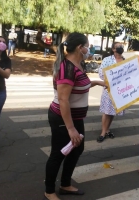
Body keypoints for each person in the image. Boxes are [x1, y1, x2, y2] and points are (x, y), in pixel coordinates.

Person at [44, 33, 106, 200]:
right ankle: (49, 191)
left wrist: (99, 83)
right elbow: (63, 99)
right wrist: (70, 129)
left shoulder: (79, 64)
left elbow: (80, 85)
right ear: (80, 48)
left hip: (75, 118)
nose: (89, 49)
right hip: (62, 118)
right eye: (88, 45)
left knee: (77, 149)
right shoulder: (67, 68)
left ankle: (65, 184)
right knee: (58, 153)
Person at [96, 42, 139, 142]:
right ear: (113, 49)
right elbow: (101, 74)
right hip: (109, 89)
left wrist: (138, 64)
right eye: (118, 46)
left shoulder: (125, 61)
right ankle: (103, 132)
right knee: (106, 111)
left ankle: (107, 130)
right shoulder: (107, 60)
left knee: (113, 111)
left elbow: (134, 73)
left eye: (121, 46)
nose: (121, 47)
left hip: (120, 91)